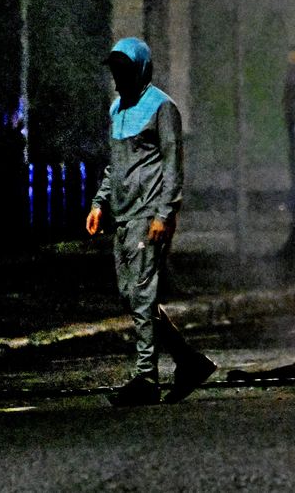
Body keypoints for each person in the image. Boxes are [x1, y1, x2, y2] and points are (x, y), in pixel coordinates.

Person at [86, 37, 215, 406]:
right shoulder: (116, 110)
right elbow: (117, 165)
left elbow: (173, 164)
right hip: (124, 215)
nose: (117, 78)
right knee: (132, 296)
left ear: (140, 69)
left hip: (149, 215)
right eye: (114, 70)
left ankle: (146, 377)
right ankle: (190, 362)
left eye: (123, 70)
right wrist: (99, 203)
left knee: (142, 295)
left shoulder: (162, 107)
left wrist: (165, 212)